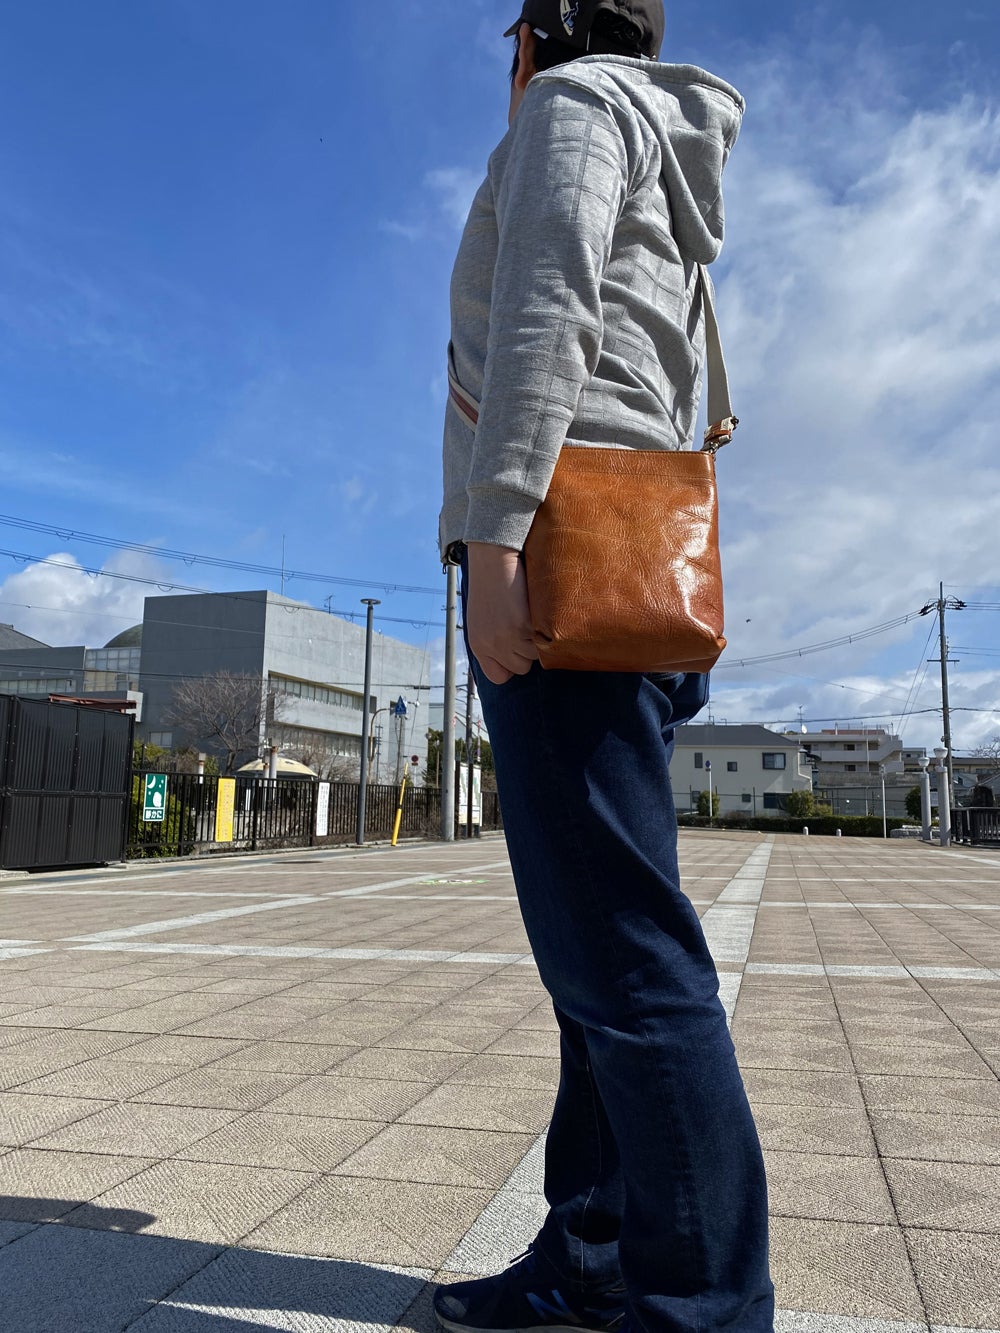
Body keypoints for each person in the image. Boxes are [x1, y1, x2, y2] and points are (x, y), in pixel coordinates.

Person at [436, 4, 774, 1331]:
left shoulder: (573, 111)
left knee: (630, 966)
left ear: (552, 29)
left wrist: (497, 538)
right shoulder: (670, 147)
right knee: (602, 958)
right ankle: (592, 1251)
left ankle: (704, 1307)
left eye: (515, 29)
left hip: (567, 562)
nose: (508, 55)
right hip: (645, 568)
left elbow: (546, 317)